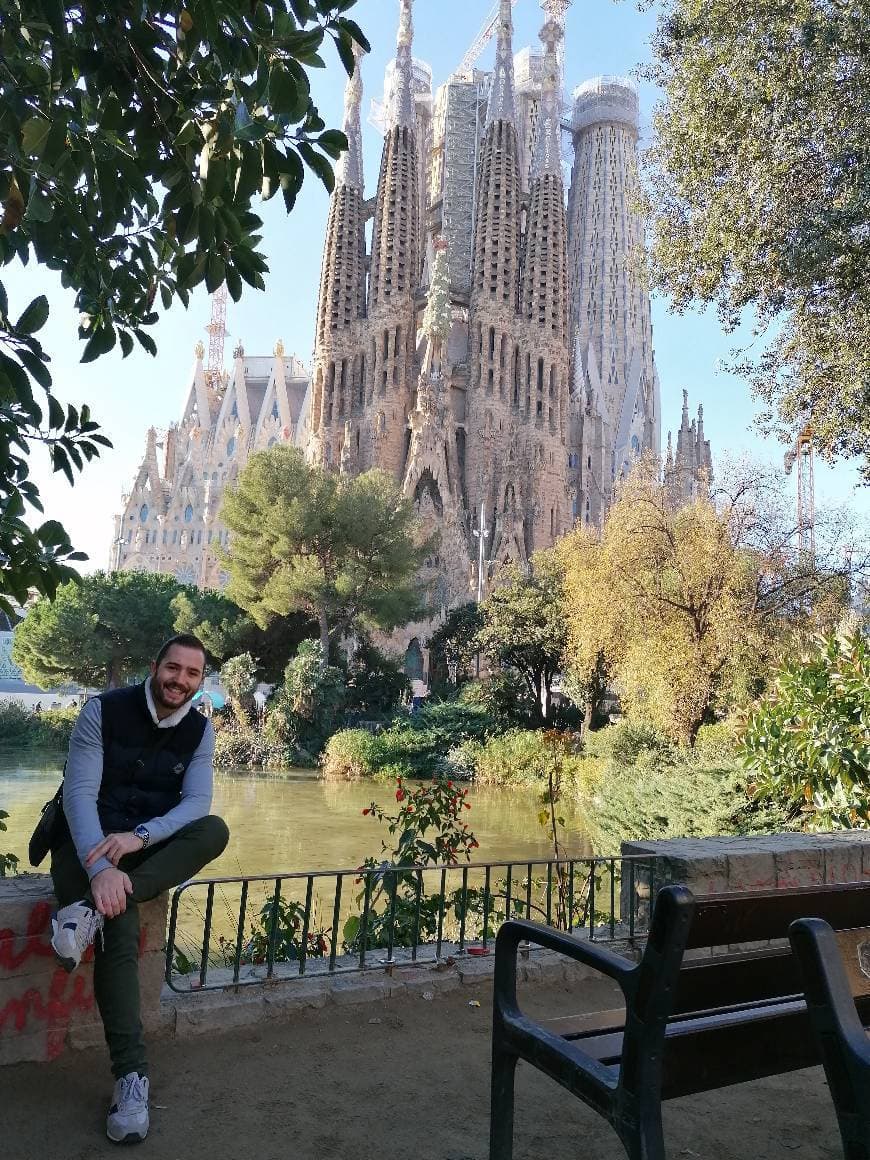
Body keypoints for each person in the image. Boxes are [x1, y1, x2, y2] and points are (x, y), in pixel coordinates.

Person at [49, 633, 229, 1144]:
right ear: (156, 667)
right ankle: (131, 1077)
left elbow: (196, 805)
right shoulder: (102, 711)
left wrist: (138, 840)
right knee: (120, 927)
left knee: (214, 829)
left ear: (200, 682)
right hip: (80, 842)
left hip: (135, 846)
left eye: (193, 674)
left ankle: (86, 912)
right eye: (174, 669)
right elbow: (79, 795)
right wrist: (99, 865)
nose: (181, 681)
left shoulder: (199, 730)